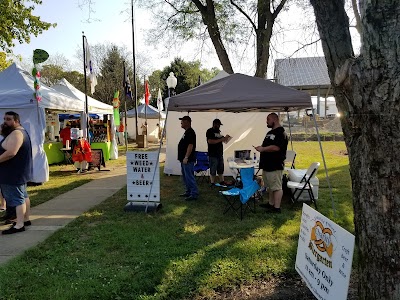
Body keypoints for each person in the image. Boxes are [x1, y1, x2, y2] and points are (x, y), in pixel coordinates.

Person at [0, 111, 33, 234]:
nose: (5, 121)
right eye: (4, 119)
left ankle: (19, 225)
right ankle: (25, 219)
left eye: (8, 119)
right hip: (18, 172)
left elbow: (11, 153)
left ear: (16, 121)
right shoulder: (18, 132)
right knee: (23, 196)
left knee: (17, 199)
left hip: (13, 173)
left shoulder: (17, 133)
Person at [255, 113, 288, 214]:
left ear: (275, 119)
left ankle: (276, 208)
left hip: (275, 164)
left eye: (268, 119)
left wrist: (263, 149)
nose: (267, 122)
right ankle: (270, 203)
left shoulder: (281, 133)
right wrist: (261, 148)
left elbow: (276, 147)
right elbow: (268, 145)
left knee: (277, 187)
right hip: (267, 164)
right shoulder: (270, 132)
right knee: (269, 186)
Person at [178, 116, 198, 201]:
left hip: (188, 159)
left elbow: (190, 145)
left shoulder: (190, 132)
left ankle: (194, 193)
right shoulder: (187, 132)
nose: (181, 122)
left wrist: (186, 157)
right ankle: (188, 191)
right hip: (184, 159)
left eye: (182, 121)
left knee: (189, 176)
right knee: (185, 177)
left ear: (187, 122)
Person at [206, 119, 231, 185]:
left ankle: (222, 181)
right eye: (218, 125)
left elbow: (223, 140)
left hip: (219, 153)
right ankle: (212, 182)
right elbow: (210, 141)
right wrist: (221, 139)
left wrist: (225, 138)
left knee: (220, 168)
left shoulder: (219, 131)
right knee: (213, 168)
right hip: (213, 153)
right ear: (215, 124)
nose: (219, 126)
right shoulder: (210, 131)